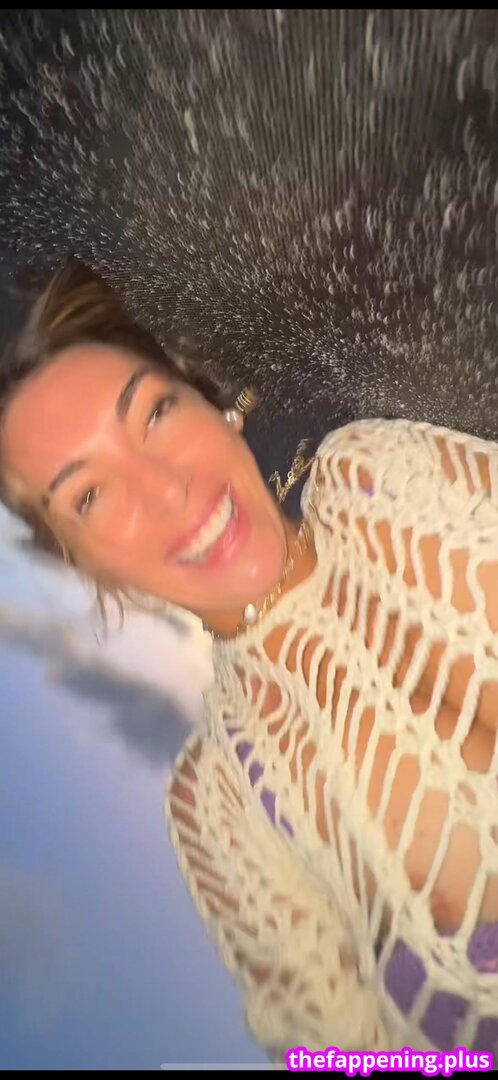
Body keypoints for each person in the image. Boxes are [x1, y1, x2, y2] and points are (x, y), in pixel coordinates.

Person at [2, 258, 498, 1058]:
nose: (167, 489)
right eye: (89, 496)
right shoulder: (218, 807)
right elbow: (338, 1051)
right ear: (87, 568)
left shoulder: (376, 481)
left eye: (156, 413)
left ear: (211, 403)